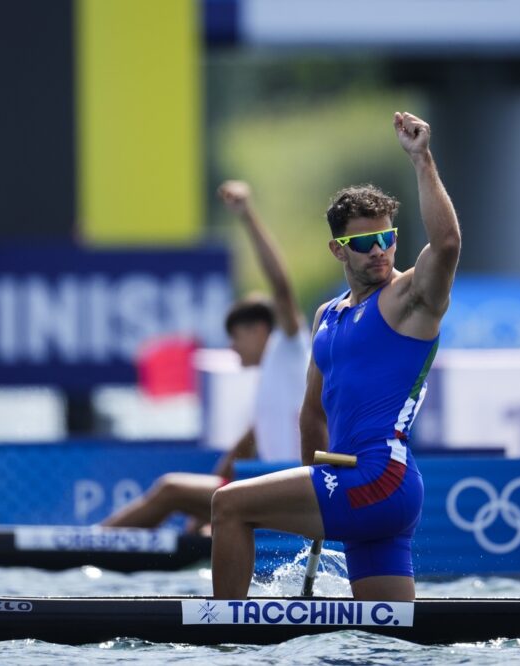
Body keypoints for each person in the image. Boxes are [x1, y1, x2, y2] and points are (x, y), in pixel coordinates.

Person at [210, 111, 461, 602]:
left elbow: (447, 244)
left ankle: (222, 643)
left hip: (381, 478)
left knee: (227, 507)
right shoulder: (328, 316)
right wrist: (313, 482)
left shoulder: (409, 300)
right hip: (361, 487)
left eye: (387, 239)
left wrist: (422, 158)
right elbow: (312, 413)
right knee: (386, 642)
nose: (379, 251)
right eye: (363, 243)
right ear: (337, 250)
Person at [101, 181, 310, 530]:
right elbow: (238, 454)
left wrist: (247, 216)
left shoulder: (289, 347)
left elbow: (281, 286)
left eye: (235, 337)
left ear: (259, 330)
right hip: (269, 488)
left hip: (289, 496)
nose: (231, 348)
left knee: (170, 489)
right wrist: (199, 520)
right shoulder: (273, 382)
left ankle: (91, 544)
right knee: (187, 499)